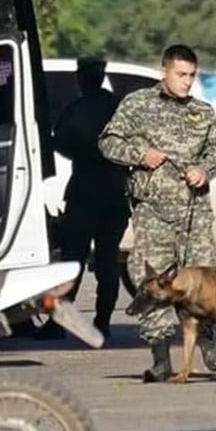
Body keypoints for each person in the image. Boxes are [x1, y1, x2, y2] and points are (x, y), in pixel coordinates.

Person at [99, 44, 216, 382]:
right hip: (153, 212)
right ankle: (160, 357)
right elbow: (108, 142)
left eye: (191, 76)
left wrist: (205, 169)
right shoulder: (138, 104)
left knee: (203, 279)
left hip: (194, 212)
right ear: (164, 71)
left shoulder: (202, 111)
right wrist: (140, 153)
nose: (187, 82)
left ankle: (206, 337)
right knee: (152, 281)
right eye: (180, 75)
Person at [52, 56, 130, 341]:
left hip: (85, 191)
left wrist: (83, 154)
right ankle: (103, 321)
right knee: (107, 260)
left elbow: (59, 141)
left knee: (73, 259)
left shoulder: (76, 109)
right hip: (116, 192)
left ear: (82, 78)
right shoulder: (120, 107)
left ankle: (60, 322)